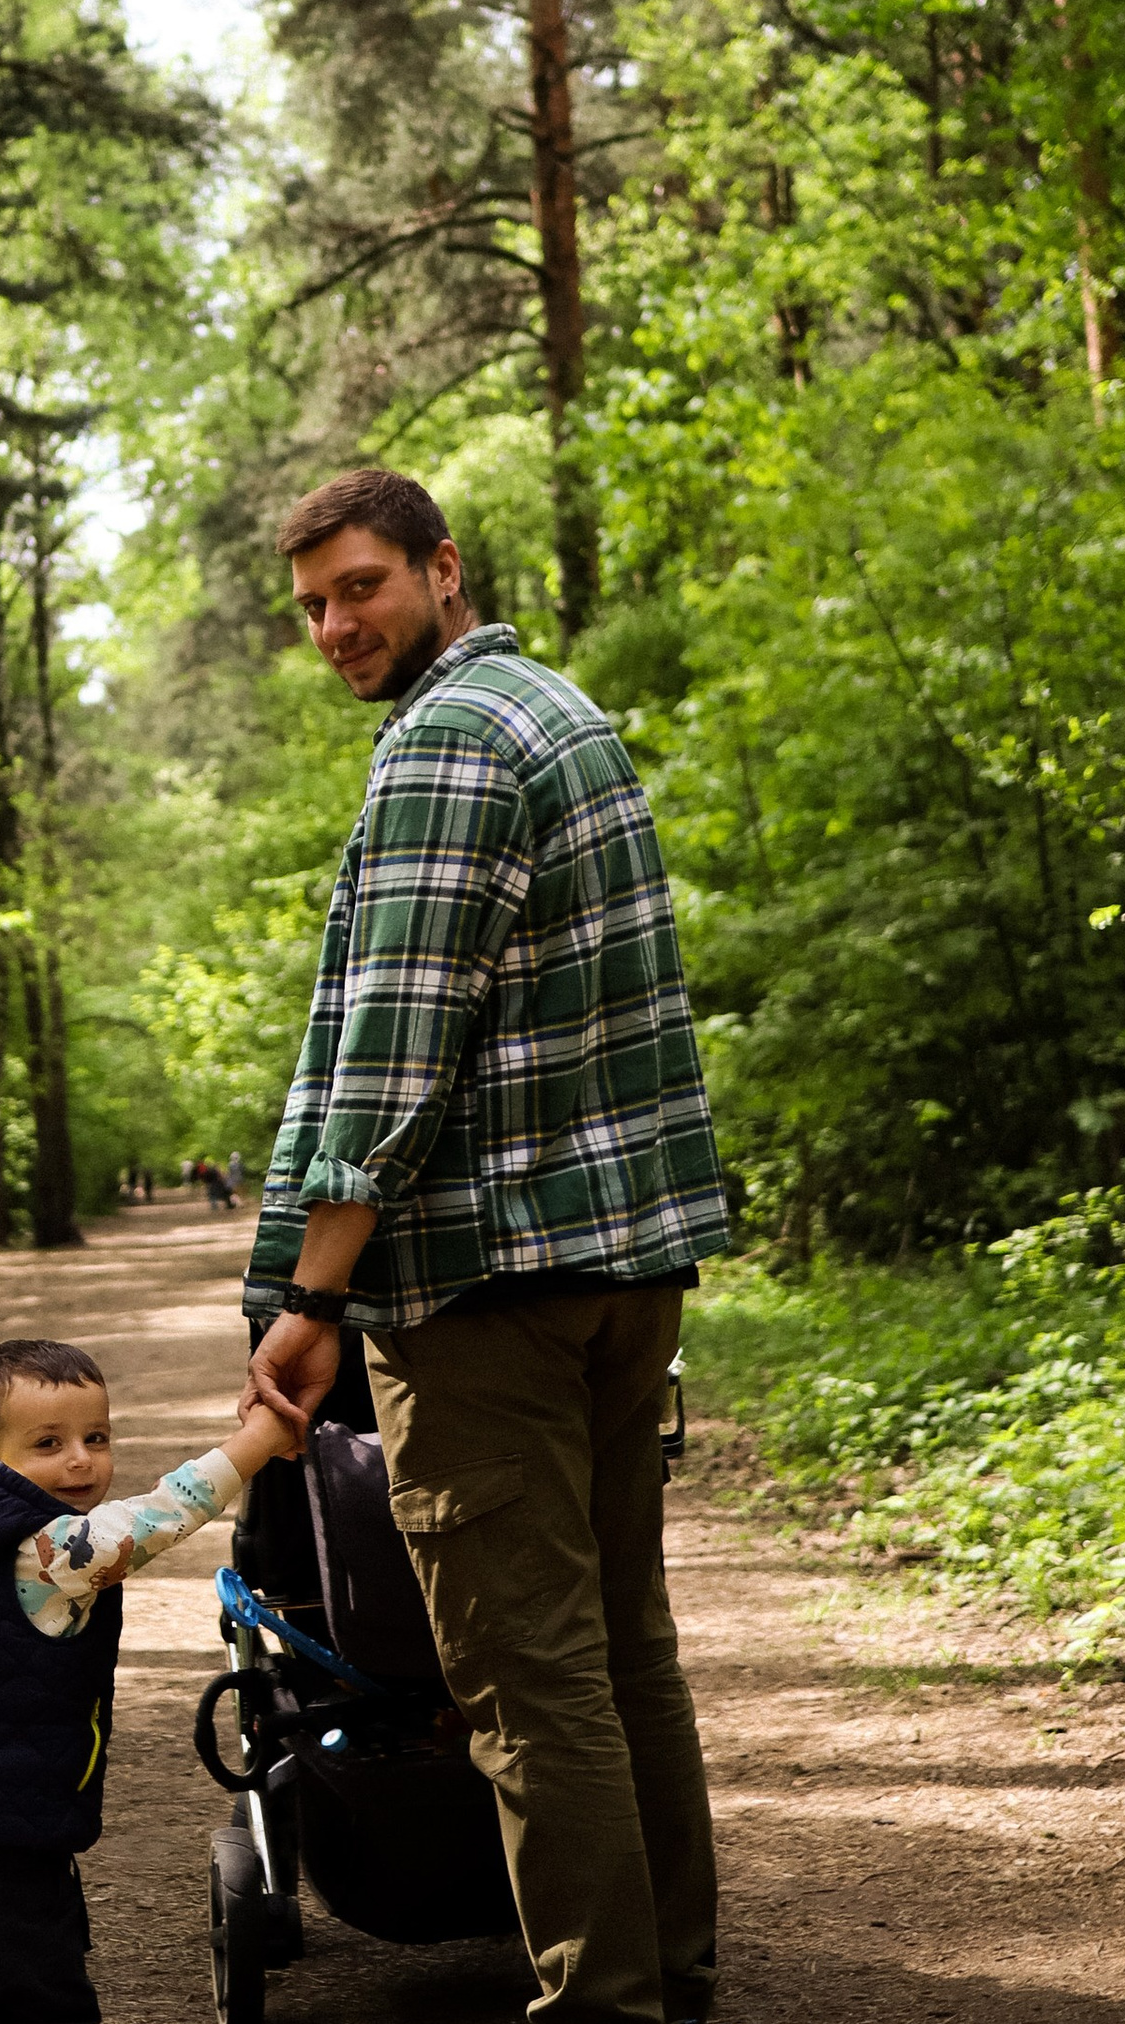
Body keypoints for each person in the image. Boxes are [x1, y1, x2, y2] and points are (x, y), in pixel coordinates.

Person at [240, 468, 731, 2024]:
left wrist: (314, 1294)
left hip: (492, 1286)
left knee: (525, 1678)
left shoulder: (450, 744)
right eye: (313, 602)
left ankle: (605, 2001)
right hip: (618, 1265)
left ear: (443, 570)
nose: (335, 624)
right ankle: (673, 1964)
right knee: (618, 1642)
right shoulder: (559, 710)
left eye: (363, 586)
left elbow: (391, 1064)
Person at [0, 1338, 298, 2022]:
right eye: (47, 1443)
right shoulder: (47, 1553)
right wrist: (261, 1438)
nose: (79, 1458)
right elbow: (163, 1514)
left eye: (95, 1436)